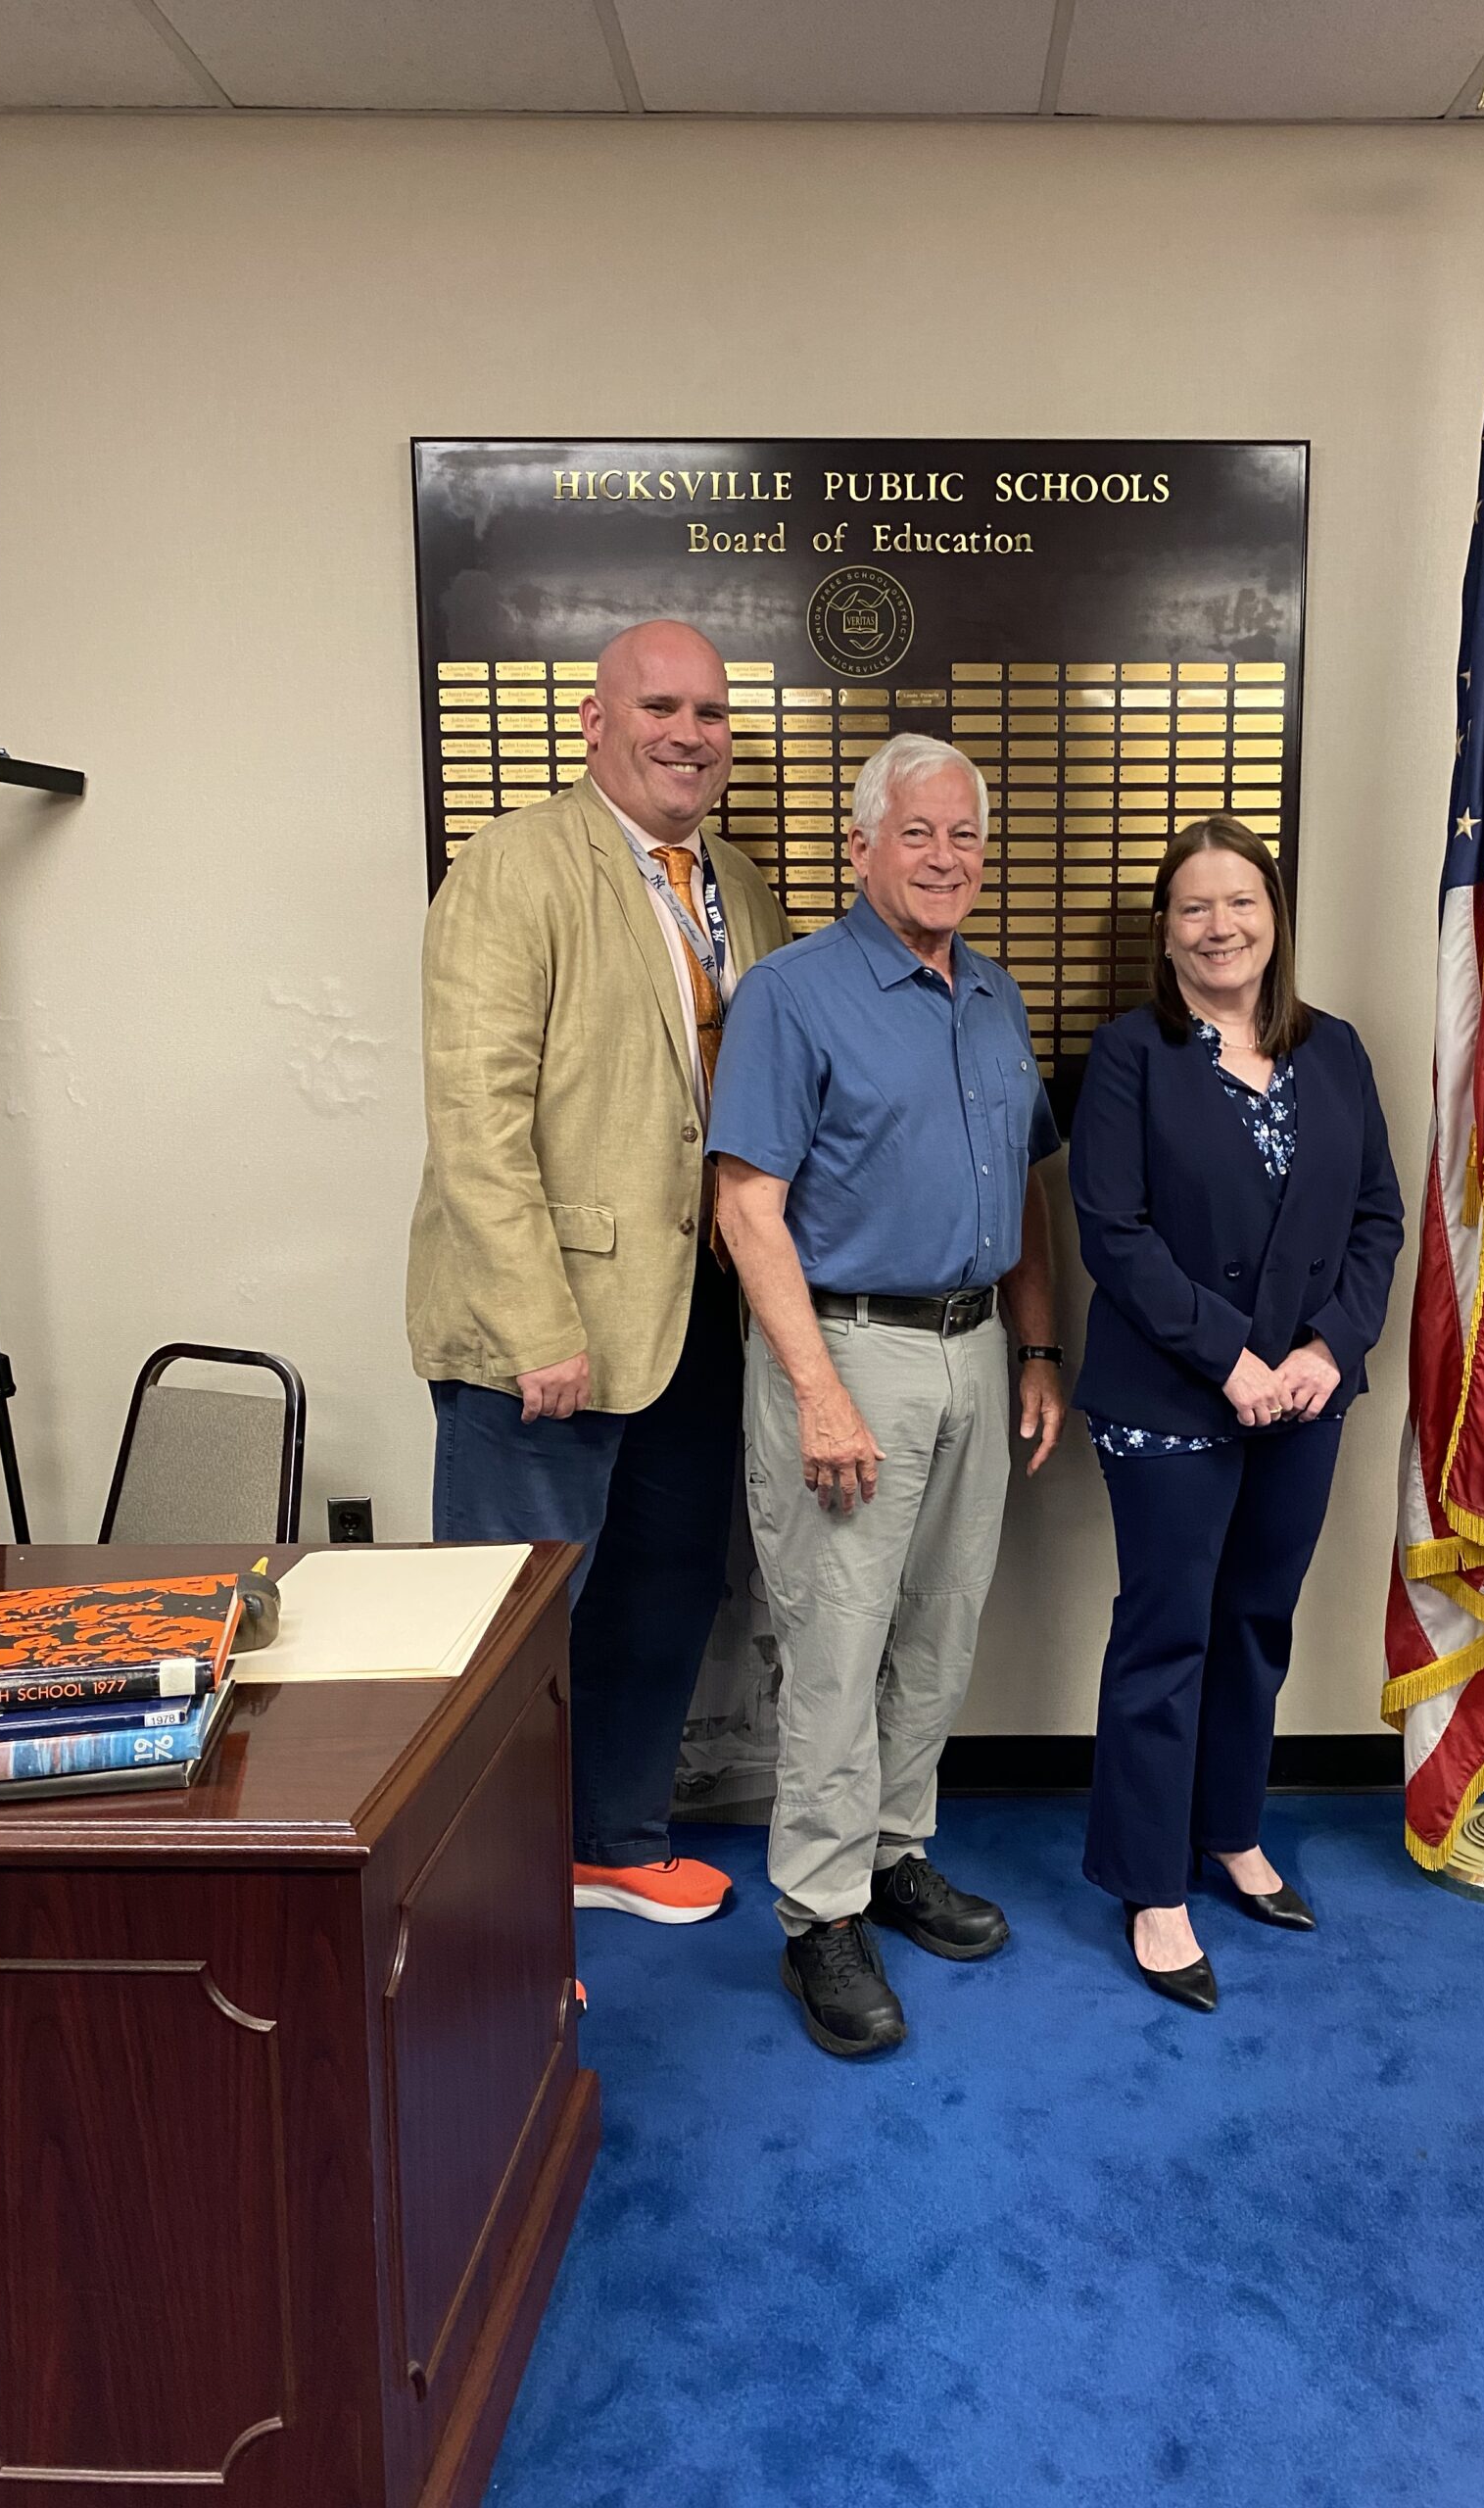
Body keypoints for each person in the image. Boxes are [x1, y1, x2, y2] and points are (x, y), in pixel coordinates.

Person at [407, 619, 790, 1926]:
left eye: (710, 713)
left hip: (695, 1317)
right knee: (515, 1629)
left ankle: (613, 1839)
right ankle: (482, 1902)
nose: (689, 734)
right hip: (549, 1334)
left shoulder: (741, 883)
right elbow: (475, 1118)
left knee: (665, 1587)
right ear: (594, 720)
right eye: (660, 706)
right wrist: (535, 1325)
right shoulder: (514, 866)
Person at [709, 733, 1067, 2059]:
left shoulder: (995, 995)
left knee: (939, 1628)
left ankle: (894, 1853)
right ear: (859, 847)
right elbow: (746, 1207)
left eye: (965, 834)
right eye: (917, 832)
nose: (945, 857)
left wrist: (1038, 1350)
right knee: (837, 1641)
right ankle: (819, 1913)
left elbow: (1024, 1190)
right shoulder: (793, 994)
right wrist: (816, 1390)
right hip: (848, 1349)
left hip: (976, 1345)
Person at [1068, 815, 1403, 2010]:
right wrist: (1231, 1358)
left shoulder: (1337, 1050)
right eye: (1195, 907)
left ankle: (1230, 1831)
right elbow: (1114, 1234)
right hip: (1172, 1392)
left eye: (1241, 902)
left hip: (1305, 1392)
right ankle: (1151, 1884)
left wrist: (1328, 1345)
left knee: (1257, 1621)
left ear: (1275, 918)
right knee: (1168, 1635)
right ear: (1166, 934)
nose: (1221, 926)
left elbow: (1377, 1218)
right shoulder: (1129, 1055)